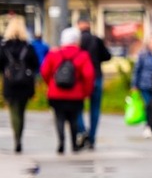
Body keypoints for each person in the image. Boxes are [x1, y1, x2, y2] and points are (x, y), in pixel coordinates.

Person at [41, 27, 95, 154]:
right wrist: (86, 92)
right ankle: (74, 144)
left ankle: (61, 142)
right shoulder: (83, 55)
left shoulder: (54, 54)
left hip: (56, 93)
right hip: (76, 94)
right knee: (74, 119)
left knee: (59, 118)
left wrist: (51, 84)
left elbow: (44, 71)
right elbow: (89, 75)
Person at [1, 17, 42, 152]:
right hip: (25, 83)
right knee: (22, 111)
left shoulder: (4, 47)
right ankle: (20, 138)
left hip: (9, 83)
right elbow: (36, 64)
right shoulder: (28, 47)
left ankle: (16, 138)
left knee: (13, 111)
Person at [75, 17, 112, 149]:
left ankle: (82, 130)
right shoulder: (97, 40)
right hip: (96, 77)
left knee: (77, 107)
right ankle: (92, 138)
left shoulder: (77, 41)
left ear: (78, 25)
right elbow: (107, 56)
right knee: (95, 109)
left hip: (80, 79)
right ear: (89, 25)